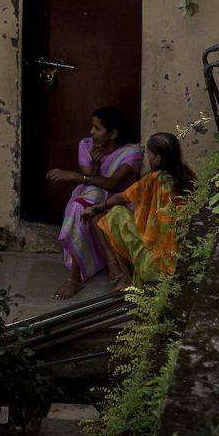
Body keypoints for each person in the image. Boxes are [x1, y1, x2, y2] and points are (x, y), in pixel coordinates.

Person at [48, 106, 143, 299]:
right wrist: (96, 164)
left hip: (120, 201)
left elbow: (112, 183)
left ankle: (110, 266)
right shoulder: (86, 145)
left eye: (97, 128)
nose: (91, 132)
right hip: (94, 196)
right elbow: (91, 181)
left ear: (113, 134)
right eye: (92, 127)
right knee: (80, 205)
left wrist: (73, 176)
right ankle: (75, 278)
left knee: (90, 204)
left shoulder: (131, 153)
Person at [88, 131, 197, 290]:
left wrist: (94, 208)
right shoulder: (188, 175)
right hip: (183, 256)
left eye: (149, 155)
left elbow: (121, 198)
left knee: (115, 214)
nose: (148, 159)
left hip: (157, 263)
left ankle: (127, 278)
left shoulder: (155, 179)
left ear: (157, 159)